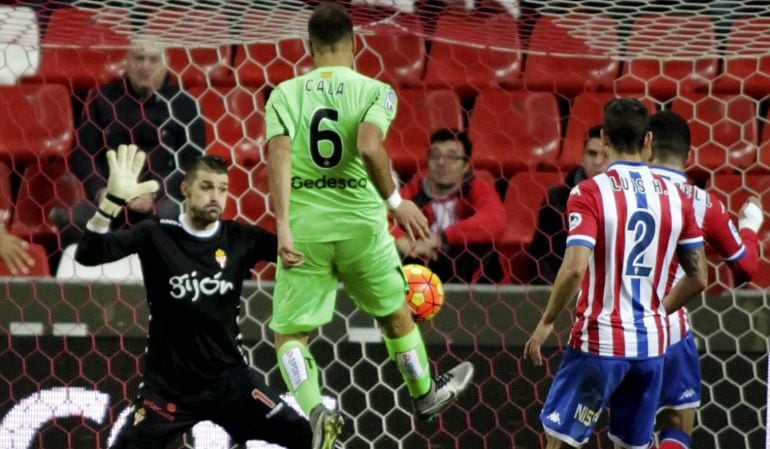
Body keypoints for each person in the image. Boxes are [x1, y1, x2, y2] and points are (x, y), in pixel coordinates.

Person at [264, 3, 474, 449]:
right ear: (354, 44)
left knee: (290, 334)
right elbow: (368, 144)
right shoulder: (376, 91)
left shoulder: (284, 93)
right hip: (363, 229)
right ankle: (424, 394)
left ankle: (316, 410)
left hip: (306, 231)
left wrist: (282, 225)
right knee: (396, 315)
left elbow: (278, 155)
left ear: (308, 46)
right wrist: (397, 202)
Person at [75, 145, 312, 449]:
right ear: (186, 189)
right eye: (206, 187)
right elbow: (88, 254)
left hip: (230, 383)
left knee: (306, 436)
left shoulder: (241, 238)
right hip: (167, 392)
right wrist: (111, 203)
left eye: (223, 189)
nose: (215, 196)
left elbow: (301, 251)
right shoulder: (156, 234)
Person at [524, 98, 708, 449]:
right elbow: (699, 277)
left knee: (559, 440)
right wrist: (654, 315)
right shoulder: (677, 197)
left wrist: (547, 320)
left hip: (600, 342)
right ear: (649, 141)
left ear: (605, 139)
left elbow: (575, 269)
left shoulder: (589, 193)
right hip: (651, 348)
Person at [647, 110, 763, 449]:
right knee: (677, 423)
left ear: (647, 146)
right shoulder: (701, 201)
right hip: (669, 326)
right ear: (687, 155)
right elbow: (745, 267)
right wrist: (750, 226)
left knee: (626, 427)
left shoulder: (616, 194)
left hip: (617, 324)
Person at [67, 38, 205, 238]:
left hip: (163, 199)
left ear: (166, 62)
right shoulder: (102, 98)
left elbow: (194, 164)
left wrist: (155, 192)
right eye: (139, 58)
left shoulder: (185, 105)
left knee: (169, 216)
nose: (145, 66)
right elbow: (81, 153)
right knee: (75, 217)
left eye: (153, 59)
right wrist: (100, 191)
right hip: (110, 196)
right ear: (127, 61)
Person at [393, 128, 506, 283]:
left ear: (466, 165)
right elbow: (381, 218)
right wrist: (401, 240)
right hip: (421, 268)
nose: (441, 162)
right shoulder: (414, 191)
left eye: (452, 157)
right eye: (435, 156)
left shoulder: (477, 188)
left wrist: (442, 238)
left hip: (465, 271)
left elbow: (495, 221)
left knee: (481, 247)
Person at [530, 124, 607, 284]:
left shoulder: (627, 199)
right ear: (582, 157)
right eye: (592, 154)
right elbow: (544, 259)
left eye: (605, 155)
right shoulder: (557, 200)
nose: (598, 161)